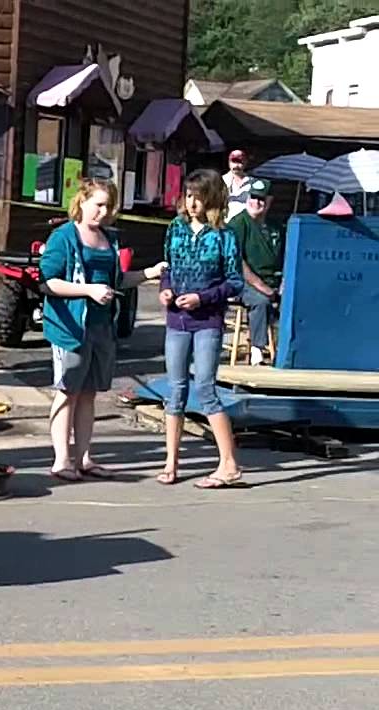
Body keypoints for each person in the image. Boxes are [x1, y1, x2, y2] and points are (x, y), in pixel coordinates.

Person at [39, 178, 167, 481]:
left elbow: (117, 280)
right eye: (98, 204)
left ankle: (84, 458)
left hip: (102, 327)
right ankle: (61, 460)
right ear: (81, 202)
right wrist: (87, 291)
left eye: (109, 206)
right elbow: (48, 282)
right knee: (67, 391)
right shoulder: (63, 237)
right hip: (70, 327)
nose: (104, 212)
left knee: (88, 394)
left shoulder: (110, 239)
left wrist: (150, 273)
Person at [158, 168, 244, 488]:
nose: (192, 203)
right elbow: (168, 267)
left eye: (199, 196)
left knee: (206, 388)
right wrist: (166, 289)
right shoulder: (175, 228)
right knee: (175, 389)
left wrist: (202, 297)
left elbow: (234, 281)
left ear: (213, 199)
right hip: (176, 320)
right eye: (189, 196)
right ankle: (171, 464)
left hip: (207, 320)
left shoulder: (225, 235)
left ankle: (229, 464)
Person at [228, 178, 280, 365]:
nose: (256, 202)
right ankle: (257, 350)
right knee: (261, 301)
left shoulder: (276, 226)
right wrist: (261, 286)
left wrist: (282, 284)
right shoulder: (238, 224)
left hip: (273, 280)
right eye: (253, 197)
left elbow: (285, 257)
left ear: (269, 201)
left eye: (261, 199)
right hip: (242, 282)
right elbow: (237, 261)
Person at [222, 149, 251, 221]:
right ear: (229, 163)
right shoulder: (220, 181)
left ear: (245, 163)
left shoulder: (252, 182)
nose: (236, 165)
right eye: (233, 162)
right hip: (226, 221)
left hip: (245, 221)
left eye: (240, 162)